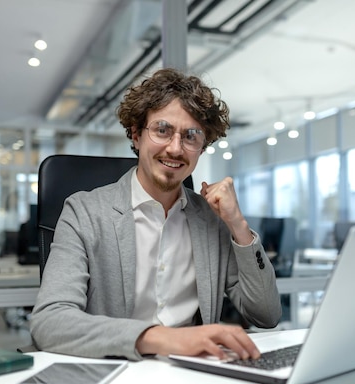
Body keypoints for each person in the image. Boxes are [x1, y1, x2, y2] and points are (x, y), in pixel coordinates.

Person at [30, 67, 282, 361]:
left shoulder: (212, 220)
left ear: (201, 148)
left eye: (191, 136)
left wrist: (237, 224)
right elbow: (50, 322)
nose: (176, 149)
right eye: (162, 130)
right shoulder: (84, 212)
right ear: (136, 136)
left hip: (193, 379)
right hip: (113, 375)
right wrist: (162, 338)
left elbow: (267, 314)